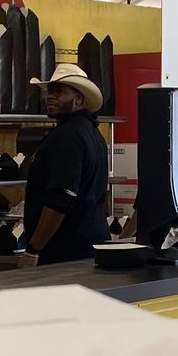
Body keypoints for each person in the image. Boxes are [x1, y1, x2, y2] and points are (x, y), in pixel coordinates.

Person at [20, 64, 109, 265]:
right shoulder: (93, 133)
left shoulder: (67, 136)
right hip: (91, 242)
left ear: (79, 99)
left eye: (60, 91)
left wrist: (33, 250)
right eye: (50, 91)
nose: (51, 96)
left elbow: (61, 198)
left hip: (66, 251)